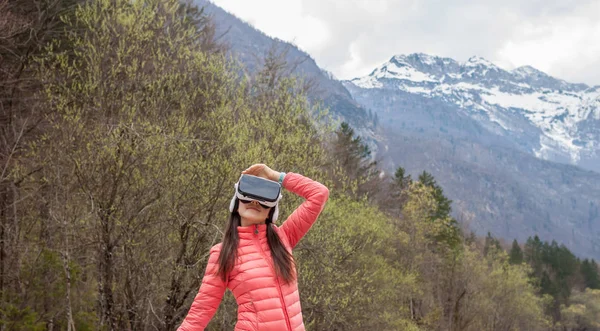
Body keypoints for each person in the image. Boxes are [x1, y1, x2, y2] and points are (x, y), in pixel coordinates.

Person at [178, 163, 329, 331]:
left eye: (264, 199)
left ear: (272, 211)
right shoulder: (223, 253)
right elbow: (200, 312)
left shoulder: (283, 238)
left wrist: (276, 176)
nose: (255, 202)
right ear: (236, 201)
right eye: (248, 195)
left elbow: (319, 194)